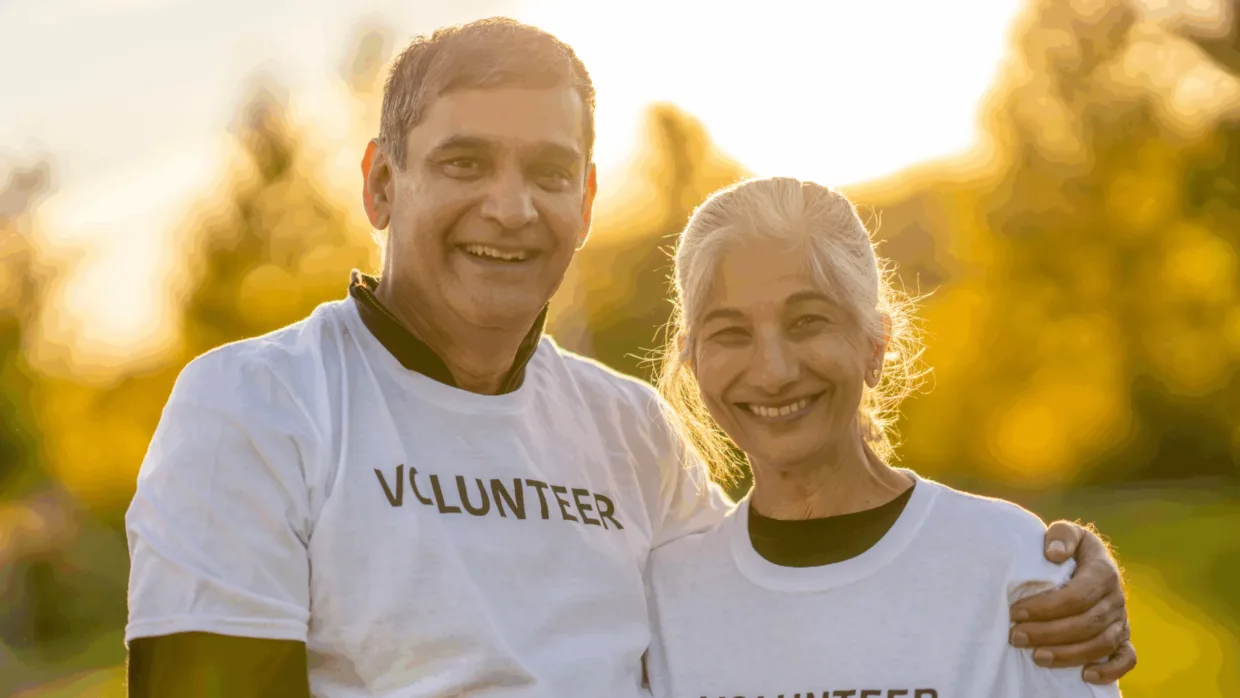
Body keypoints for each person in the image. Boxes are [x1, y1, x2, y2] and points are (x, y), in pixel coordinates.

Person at [124, 18, 1136, 698]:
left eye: (548, 171)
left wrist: (1042, 567)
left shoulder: (630, 430)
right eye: (464, 161)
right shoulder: (257, 406)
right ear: (382, 184)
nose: (510, 207)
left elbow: (780, 594)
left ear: (588, 200)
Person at [645, 177, 1129, 697]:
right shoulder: (663, 601)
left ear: (875, 345)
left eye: (807, 321)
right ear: (693, 362)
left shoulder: (1012, 564)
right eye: (731, 333)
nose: (773, 372)